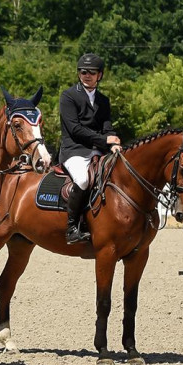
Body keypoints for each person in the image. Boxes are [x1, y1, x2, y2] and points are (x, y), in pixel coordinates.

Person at [59, 53, 121, 244]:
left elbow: (107, 127)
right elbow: (75, 129)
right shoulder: (68, 96)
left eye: (91, 72)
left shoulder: (103, 100)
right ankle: (72, 228)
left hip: (99, 150)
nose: (86, 75)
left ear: (99, 75)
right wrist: (105, 140)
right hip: (74, 150)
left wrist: (114, 142)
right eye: (83, 72)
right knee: (84, 180)